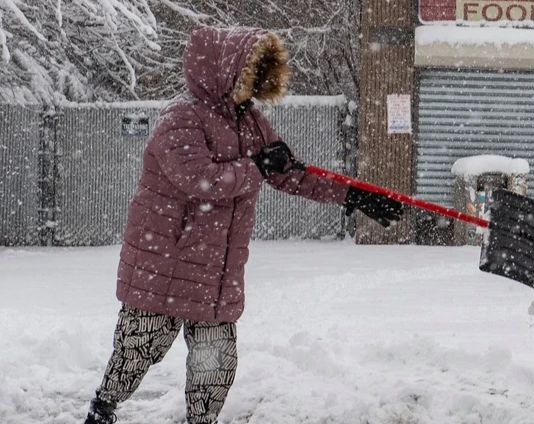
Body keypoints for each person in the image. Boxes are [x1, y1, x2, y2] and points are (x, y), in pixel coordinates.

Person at [84, 26, 407, 424]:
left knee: (215, 365)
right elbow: (199, 179)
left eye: (257, 78)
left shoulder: (249, 121)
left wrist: (352, 194)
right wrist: (254, 166)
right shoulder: (181, 117)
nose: (253, 86)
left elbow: (288, 173)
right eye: (248, 76)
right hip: (165, 261)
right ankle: (102, 410)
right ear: (223, 72)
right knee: (139, 347)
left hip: (218, 270)